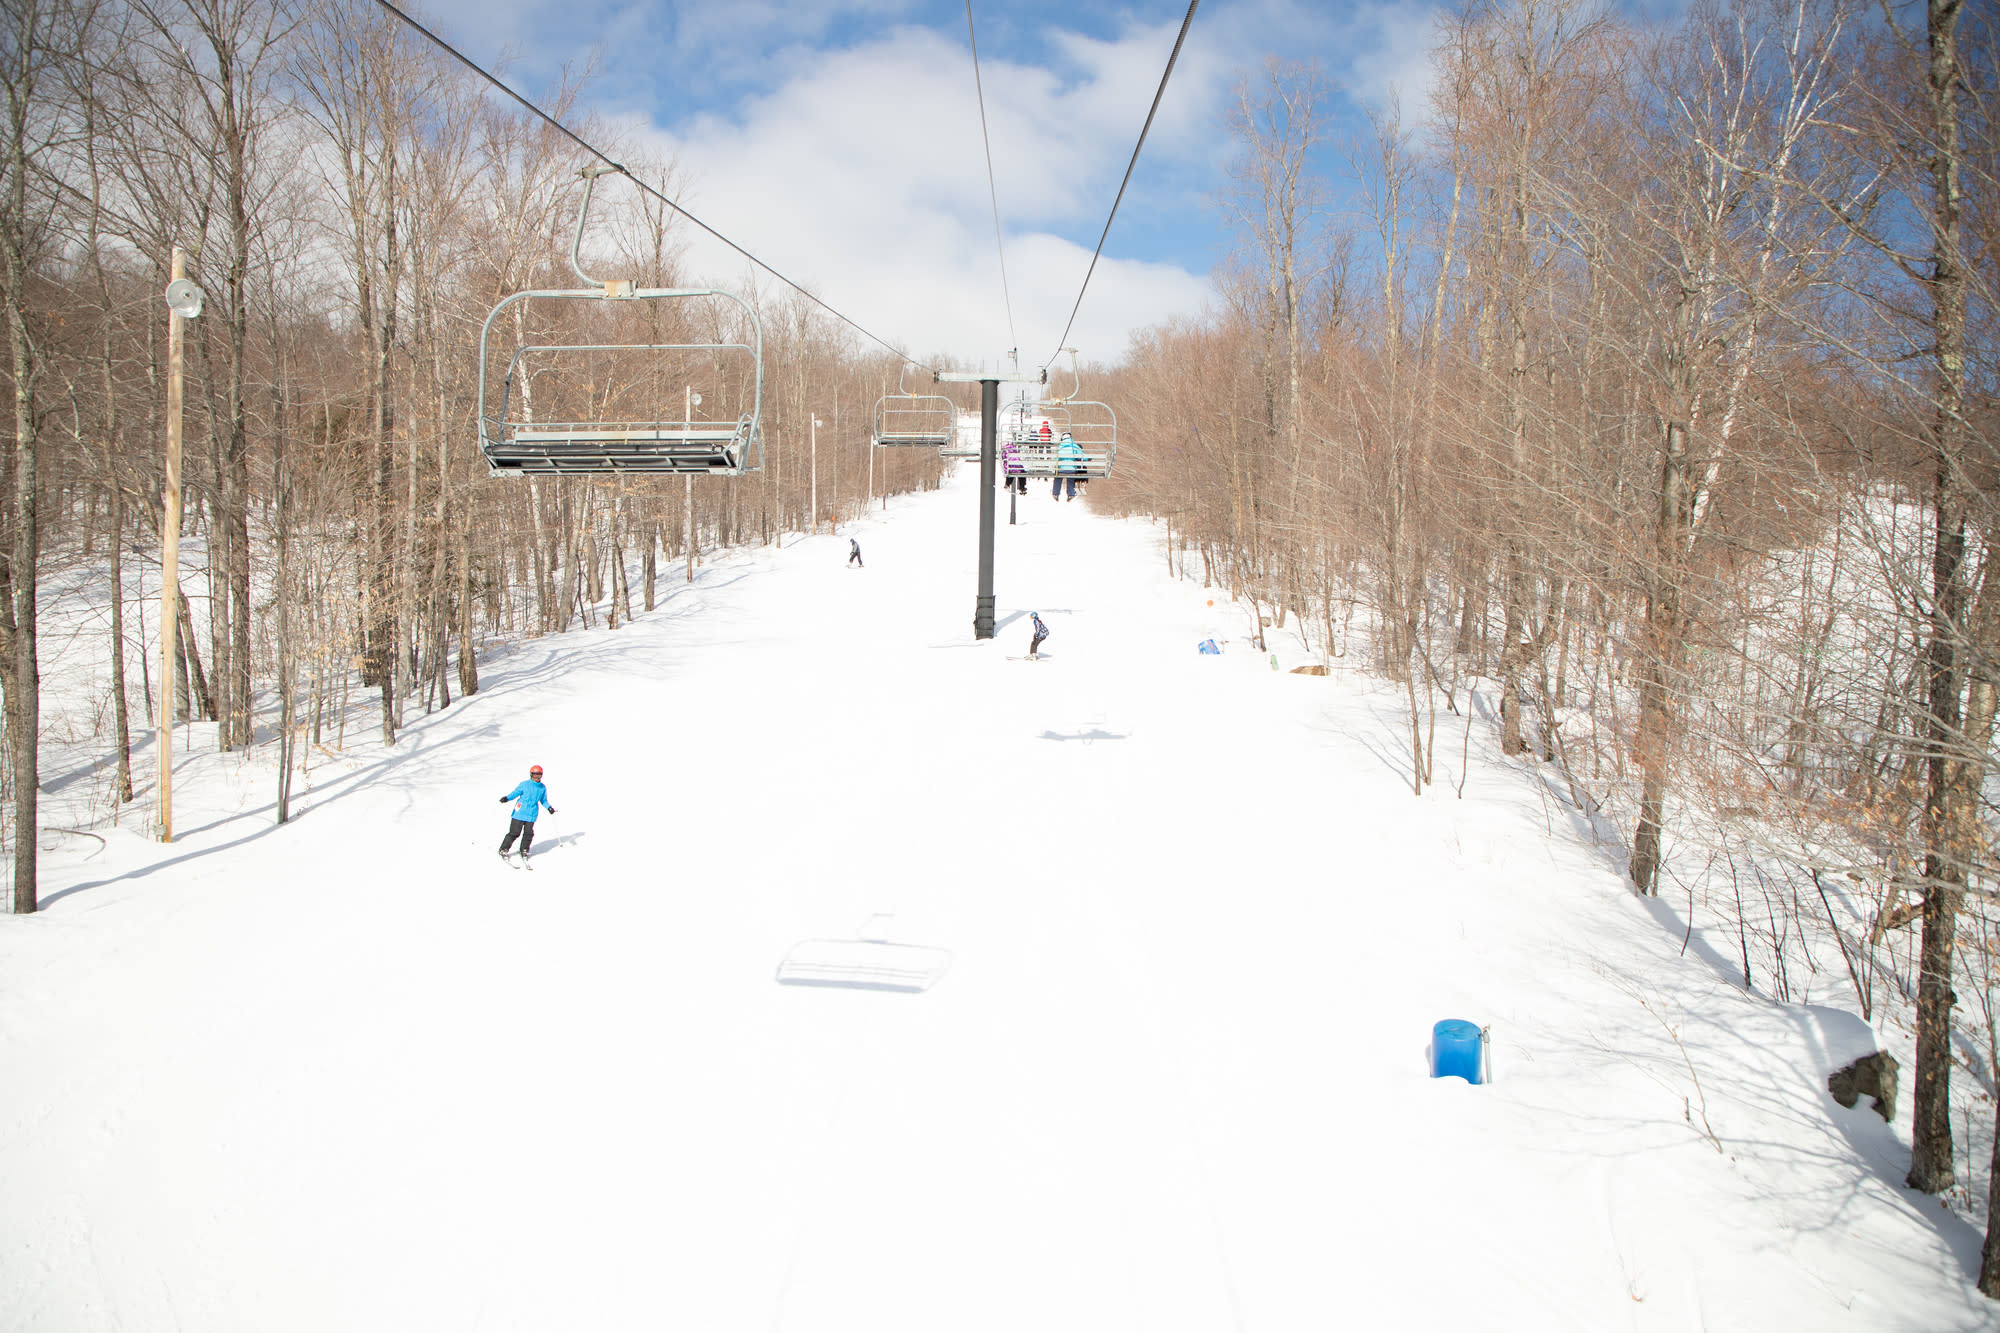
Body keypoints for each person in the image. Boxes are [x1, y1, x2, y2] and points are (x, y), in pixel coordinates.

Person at [498, 764, 555, 861]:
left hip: (532, 814)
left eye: (539, 774)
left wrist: (549, 807)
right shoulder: (524, 784)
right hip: (520, 812)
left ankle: (524, 849)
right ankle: (504, 849)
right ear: (531, 774)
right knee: (514, 832)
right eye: (535, 774)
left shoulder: (542, 787)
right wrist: (507, 798)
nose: (537, 777)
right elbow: (515, 793)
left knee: (528, 833)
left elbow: (543, 800)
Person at [1055, 431, 1084, 499]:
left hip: (1061, 469)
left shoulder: (1060, 447)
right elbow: (1082, 456)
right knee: (1071, 477)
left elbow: (1056, 458)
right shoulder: (1074, 446)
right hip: (1071, 469)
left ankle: (1055, 493)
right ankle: (1071, 493)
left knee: (1058, 477)